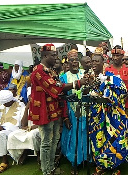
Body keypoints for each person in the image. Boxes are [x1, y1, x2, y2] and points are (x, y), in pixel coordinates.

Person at [29, 43, 88, 175]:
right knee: (46, 142)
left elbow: (59, 89)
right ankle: (46, 171)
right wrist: (77, 83)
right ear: (44, 56)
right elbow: (54, 88)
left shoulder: (51, 71)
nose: (56, 58)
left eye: (56, 55)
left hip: (54, 110)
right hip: (44, 112)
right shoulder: (39, 71)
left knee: (54, 140)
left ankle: (51, 168)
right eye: (53, 55)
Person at [89, 51, 128, 175]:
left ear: (104, 63)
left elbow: (123, 90)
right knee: (98, 140)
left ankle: (114, 167)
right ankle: (101, 166)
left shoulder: (111, 76)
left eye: (97, 61)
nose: (94, 63)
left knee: (113, 139)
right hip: (97, 116)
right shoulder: (89, 78)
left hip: (112, 116)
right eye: (92, 61)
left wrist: (107, 80)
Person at [59, 49, 89, 173]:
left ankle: (86, 160)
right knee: (74, 137)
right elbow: (61, 95)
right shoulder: (64, 77)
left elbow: (88, 90)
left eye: (76, 60)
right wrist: (65, 117)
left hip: (86, 110)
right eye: (72, 60)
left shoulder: (84, 73)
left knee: (85, 135)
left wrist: (86, 84)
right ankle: (74, 163)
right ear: (68, 62)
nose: (74, 62)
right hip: (71, 112)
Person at [7, 100, 41, 165]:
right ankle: (22, 153)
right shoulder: (25, 108)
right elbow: (23, 124)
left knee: (32, 135)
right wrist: (26, 109)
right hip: (27, 128)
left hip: (39, 128)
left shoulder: (42, 106)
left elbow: (44, 123)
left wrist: (31, 127)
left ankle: (39, 153)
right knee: (12, 135)